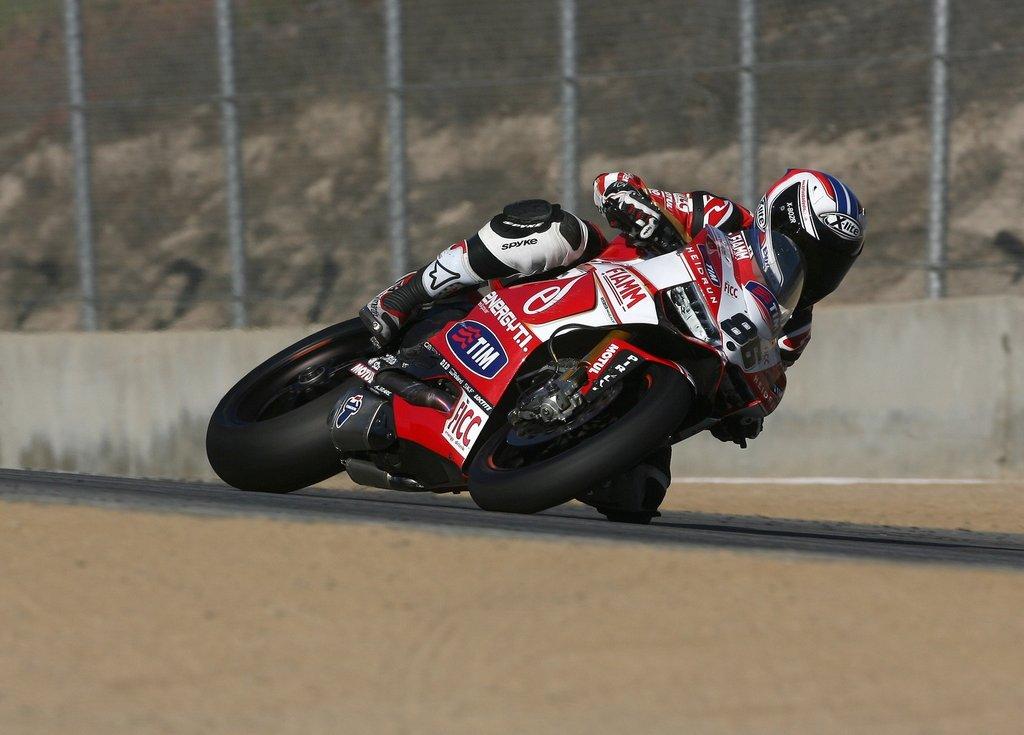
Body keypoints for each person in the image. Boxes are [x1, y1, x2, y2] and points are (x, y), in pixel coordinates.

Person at [360, 168, 866, 446]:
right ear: (774, 218)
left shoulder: (793, 327)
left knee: (637, 498)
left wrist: (742, 413)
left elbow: (759, 385)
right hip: (596, 285)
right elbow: (615, 183)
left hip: (656, 370)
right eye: (811, 249)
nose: (817, 270)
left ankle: (545, 439)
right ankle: (408, 296)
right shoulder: (722, 219)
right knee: (557, 232)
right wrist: (636, 205)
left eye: (832, 262)